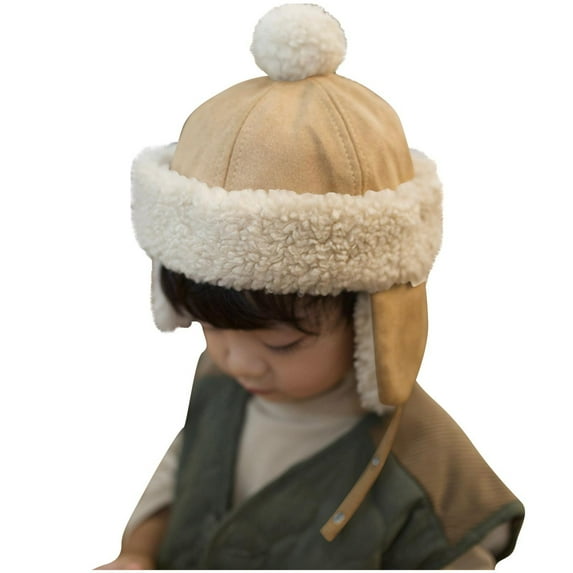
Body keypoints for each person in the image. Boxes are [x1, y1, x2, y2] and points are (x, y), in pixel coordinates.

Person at [97, 4, 524, 569]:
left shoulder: (428, 463)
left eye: (281, 345)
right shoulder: (220, 384)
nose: (238, 362)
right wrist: (137, 554)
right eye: (211, 329)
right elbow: (184, 468)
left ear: (374, 319)